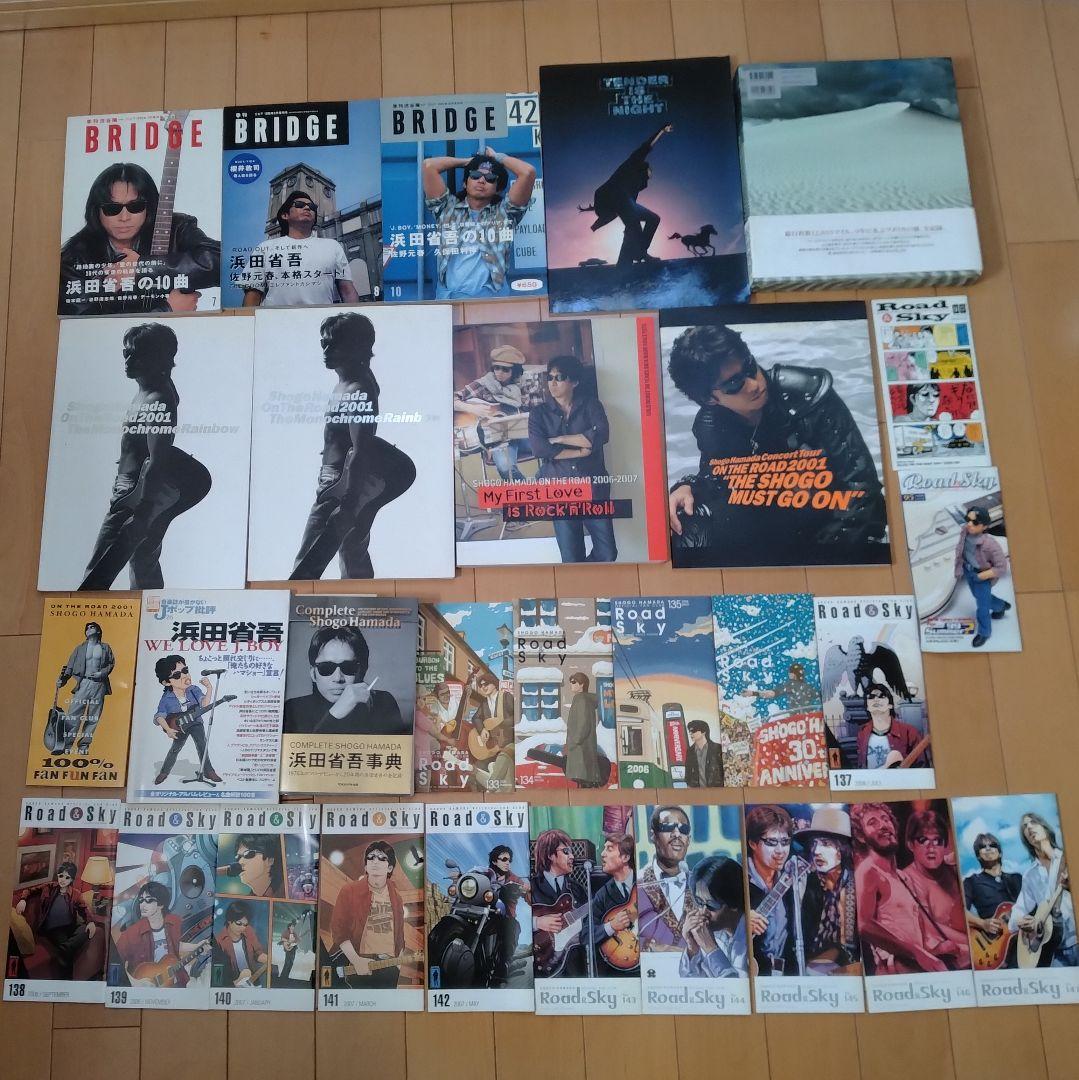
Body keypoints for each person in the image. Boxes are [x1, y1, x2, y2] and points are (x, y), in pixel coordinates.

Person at [666, 323, 886, 564]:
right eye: (734, 384)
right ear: (709, 399)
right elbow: (716, 479)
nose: (754, 385)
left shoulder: (807, 395)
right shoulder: (710, 424)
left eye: (750, 367)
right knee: (685, 519)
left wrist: (824, 557)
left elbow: (862, 486)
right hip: (774, 523)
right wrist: (687, 487)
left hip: (834, 523)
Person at [80, 322, 211, 591]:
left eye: (137, 355)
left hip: (137, 489)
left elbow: (158, 459)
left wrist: (142, 509)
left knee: (100, 570)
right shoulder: (150, 384)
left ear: (157, 358)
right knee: (143, 556)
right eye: (126, 353)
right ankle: (152, 608)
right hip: (140, 483)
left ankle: (89, 608)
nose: (128, 361)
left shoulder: (157, 399)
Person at [291, 312, 416, 581]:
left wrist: (348, 499)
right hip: (339, 475)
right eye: (324, 343)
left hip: (343, 479)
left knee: (307, 564)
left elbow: (362, 448)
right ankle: (361, 597)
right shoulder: (348, 378)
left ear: (355, 346)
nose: (326, 350)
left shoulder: (357, 388)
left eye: (334, 344)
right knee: (352, 546)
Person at [60, 161, 220, 315]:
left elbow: (221, 262)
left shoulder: (177, 228)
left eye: (135, 207)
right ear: (96, 211)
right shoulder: (74, 258)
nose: (124, 218)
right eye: (112, 208)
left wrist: (143, 268)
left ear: (149, 207)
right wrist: (167, 310)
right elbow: (80, 325)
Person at [528, 355, 617, 563]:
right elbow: (540, 448)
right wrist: (580, 450)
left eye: (559, 377)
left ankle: (586, 576)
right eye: (550, 377)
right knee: (571, 559)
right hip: (559, 490)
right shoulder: (539, 413)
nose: (553, 383)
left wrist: (559, 439)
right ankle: (581, 582)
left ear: (574, 382)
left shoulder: (591, 405)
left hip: (593, 487)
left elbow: (602, 435)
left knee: (607, 554)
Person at [851, 803, 955, 975]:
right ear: (861, 836)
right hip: (893, 973)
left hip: (914, 970)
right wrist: (917, 953)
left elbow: (911, 933)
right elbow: (864, 926)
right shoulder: (868, 871)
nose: (883, 825)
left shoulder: (902, 877)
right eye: (872, 822)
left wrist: (936, 950)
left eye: (885, 819)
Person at [422, 148, 536, 299]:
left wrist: (497, 157)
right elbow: (428, 166)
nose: (481, 181)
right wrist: (469, 162)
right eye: (475, 175)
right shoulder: (447, 208)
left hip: (493, 301)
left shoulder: (505, 212)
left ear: (498, 189)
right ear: (465, 183)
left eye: (490, 178)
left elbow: (527, 172)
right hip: (449, 300)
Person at [241, 191, 360, 308]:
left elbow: (347, 291)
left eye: (312, 207)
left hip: (321, 319)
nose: (307, 208)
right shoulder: (265, 248)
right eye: (299, 205)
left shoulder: (333, 246)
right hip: (276, 319)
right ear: (285, 215)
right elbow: (253, 295)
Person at [283, 624, 405, 736]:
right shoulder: (293, 709)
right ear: (313, 674)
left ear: (363, 670)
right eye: (326, 667)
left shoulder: (382, 703)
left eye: (349, 667)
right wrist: (337, 712)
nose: (338, 678)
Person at [577, 123, 673, 265]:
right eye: (650, 170)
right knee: (632, 220)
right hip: (607, 196)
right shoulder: (634, 163)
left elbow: (629, 209)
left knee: (653, 218)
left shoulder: (635, 187)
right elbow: (648, 145)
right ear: (644, 169)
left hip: (618, 203)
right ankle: (640, 253)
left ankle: (627, 258)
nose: (652, 173)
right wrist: (662, 131)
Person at [330, 840, 407, 988]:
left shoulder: (396, 897)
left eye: (382, 858)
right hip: (358, 964)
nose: (375, 861)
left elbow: (400, 935)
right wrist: (356, 960)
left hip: (389, 967)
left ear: (390, 867)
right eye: (371, 858)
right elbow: (339, 931)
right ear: (365, 866)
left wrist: (397, 965)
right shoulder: (349, 891)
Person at [900, 809, 971, 969]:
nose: (931, 848)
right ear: (910, 844)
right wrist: (971, 941)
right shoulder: (907, 879)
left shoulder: (954, 869)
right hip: (945, 959)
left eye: (938, 841)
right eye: (923, 840)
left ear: (945, 846)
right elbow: (929, 927)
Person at [794, 807, 861, 973]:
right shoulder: (809, 883)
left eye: (825, 844)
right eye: (814, 844)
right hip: (814, 970)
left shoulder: (856, 884)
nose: (817, 851)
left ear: (842, 850)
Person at [453, 344, 533, 483]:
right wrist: (472, 409)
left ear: (515, 370)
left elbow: (536, 412)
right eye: (496, 367)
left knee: (552, 448)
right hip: (497, 441)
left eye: (505, 369)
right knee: (505, 467)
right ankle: (528, 492)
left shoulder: (525, 384)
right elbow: (449, 399)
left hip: (522, 434)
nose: (499, 372)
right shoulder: (484, 384)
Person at [1008, 813, 1077, 968]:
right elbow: (1017, 913)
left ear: (1045, 827)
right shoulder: (1030, 875)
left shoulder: (1069, 858)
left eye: (1033, 822)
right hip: (1054, 952)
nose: (1029, 827)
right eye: (1025, 827)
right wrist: (1021, 921)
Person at [14, 861, 97, 973]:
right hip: (53, 929)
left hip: (69, 926)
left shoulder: (76, 894)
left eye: (67, 877)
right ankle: (66, 957)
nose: (63, 880)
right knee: (67, 949)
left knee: (84, 929)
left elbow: (84, 908)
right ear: (57, 875)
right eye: (61, 876)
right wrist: (23, 900)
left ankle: (64, 950)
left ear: (72, 879)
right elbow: (28, 891)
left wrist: (91, 922)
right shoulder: (49, 887)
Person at [151, 655, 221, 786]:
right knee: (175, 749)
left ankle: (209, 771)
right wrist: (168, 729)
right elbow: (159, 716)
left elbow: (204, 704)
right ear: (167, 682)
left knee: (202, 745)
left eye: (185, 671)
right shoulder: (167, 698)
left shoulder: (193, 690)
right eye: (177, 675)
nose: (184, 676)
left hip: (195, 722)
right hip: (178, 726)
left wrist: (209, 688)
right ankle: (164, 772)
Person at [114, 881, 199, 986]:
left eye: (149, 900)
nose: (142, 905)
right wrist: (133, 982)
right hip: (144, 986)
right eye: (141, 900)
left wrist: (197, 946)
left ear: (161, 904)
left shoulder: (174, 922)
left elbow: (175, 945)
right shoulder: (131, 933)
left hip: (175, 982)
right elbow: (115, 961)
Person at [530, 828, 588, 977]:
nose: (572, 856)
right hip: (541, 966)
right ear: (550, 855)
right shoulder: (530, 887)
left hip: (574, 968)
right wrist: (537, 922)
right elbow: (513, 923)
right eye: (566, 851)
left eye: (572, 852)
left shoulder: (577, 889)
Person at [680, 855, 749, 978]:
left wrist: (711, 949)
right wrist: (692, 949)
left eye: (711, 905)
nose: (703, 911)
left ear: (733, 903)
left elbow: (734, 986)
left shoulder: (754, 935)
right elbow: (692, 984)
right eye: (699, 902)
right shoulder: (710, 933)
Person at [954, 506, 1012, 649]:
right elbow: (961, 548)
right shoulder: (965, 531)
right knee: (978, 596)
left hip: (981, 576)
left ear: (984, 526)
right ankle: (1000, 606)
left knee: (982, 607)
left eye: (975, 522)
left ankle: (984, 632)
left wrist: (982, 575)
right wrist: (960, 566)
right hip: (968, 571)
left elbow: (1001, 567)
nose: (969, 524)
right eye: (968, 520)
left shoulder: (990, 544)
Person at [638, 806, 694, 953]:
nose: (677, 834)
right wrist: (651, 946)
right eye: (668, 827)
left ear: (689, 839)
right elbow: (620, 938)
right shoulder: (637, 885)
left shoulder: (701, 885)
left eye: (683, 829)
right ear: (653, 835)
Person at [963, 831, 1022, 969]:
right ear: (978, 855)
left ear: (1000, 853)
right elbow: (960, 912)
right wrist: (983, 923)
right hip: (992, 946)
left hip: (1022, 942)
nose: (988, 848)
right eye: (983, 847)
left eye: (992, 845)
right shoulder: (971, 882)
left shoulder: (1016, 879)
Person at [57, 622, 115, 754]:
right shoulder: (80, 648)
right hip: (83, 683)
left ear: (98, 631)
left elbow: (111, 663)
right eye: (87, 628)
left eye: (92, 627)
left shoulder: (105, 647)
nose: (89, 629)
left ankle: (83, 746)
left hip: (99, 684)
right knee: (73, 715)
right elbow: (70, 666)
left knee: (93, 716)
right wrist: (63, 680)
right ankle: (67, 745)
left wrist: (102, 673)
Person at [590, 833, 638, 977]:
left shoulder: (645, 883)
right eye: (603, 849)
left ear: (625, 857)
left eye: (609, 849)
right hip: (617, 972)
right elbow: (586, 934)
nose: (602, 854)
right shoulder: (601, 895)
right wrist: (611, 926)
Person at [856, 683, 928, 770]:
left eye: (881, 696)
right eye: (871, 697)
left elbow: (921, 767)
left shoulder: (909, 732)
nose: (876, 699)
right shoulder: (862, 733)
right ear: (867, 707)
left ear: (890, 705)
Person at [213, 901, 268, 988]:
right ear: (229, 920)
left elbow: (257, 953)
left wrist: (266, 958)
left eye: (245, 924)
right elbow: (217, 978)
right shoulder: (219, 941)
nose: (242, 928)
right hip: (233, 986)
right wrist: (237, 981)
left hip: (253, 981)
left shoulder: (249, 931)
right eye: (239, 924)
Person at [564, 672, 605, 787]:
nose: (571, 684)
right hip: (584, 747)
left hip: (580, 748)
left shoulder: (581, 699)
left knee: (583, 779)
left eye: (574, 682)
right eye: (571, 682)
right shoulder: (584, 699)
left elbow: (583, 723)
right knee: (585, 780)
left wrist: (575, 740)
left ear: (582, 684)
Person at [685, 719, 724, 788]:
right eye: (690, 731)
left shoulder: (717, 748)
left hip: (716, 790)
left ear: (703, 732)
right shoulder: (690, 751)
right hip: (697, 791)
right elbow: (688, 773)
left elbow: (722, 770)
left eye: (694, 731)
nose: (691, 733)